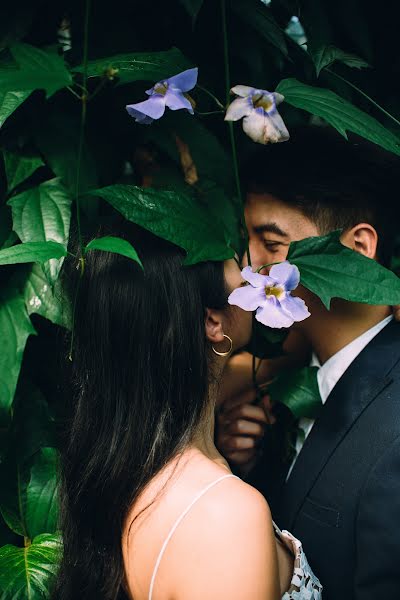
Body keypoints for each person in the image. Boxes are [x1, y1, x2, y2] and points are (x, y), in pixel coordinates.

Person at [53, 219, 322, 600]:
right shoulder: (224, 518)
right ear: (213, 320)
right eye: (236, 262)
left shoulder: (121, 475)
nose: (253, 267)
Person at [217, 126, 400, 599]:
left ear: (357, 249)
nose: (246, 268)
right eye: (248, 241)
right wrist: (250, 466)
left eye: (271, 244)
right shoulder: (302, 382)